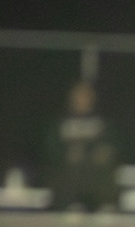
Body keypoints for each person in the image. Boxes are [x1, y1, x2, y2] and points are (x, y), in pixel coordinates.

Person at [44, 80, 121, 211]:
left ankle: (105, 205)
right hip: (68, 180)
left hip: (97, 180)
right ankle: (71, 205)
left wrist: (101, 153)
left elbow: (113, 147)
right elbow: (52, 150)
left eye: (86, 96)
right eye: (78, 96)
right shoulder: (60, 125)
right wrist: (68, 154)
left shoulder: (104, 125)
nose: (82, 100)